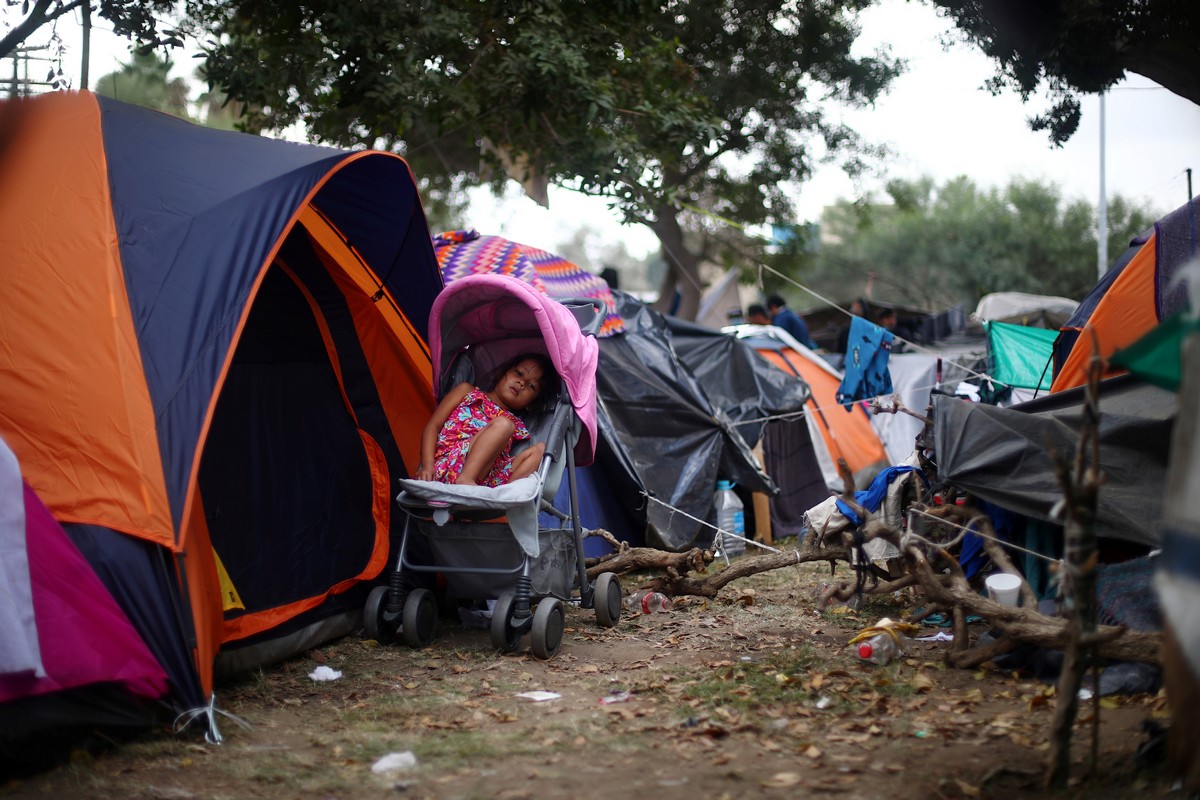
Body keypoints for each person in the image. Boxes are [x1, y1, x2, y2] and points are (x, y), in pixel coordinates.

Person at [417, 353, 559, 486]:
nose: (521, 383)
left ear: (531, 405)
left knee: (541, 450)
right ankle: (466, 479)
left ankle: (500, 498)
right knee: (504, 425)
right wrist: (427, 465)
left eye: (531, 386)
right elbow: (433, 426)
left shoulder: (515, 424)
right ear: (501, 374)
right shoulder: (467, 391)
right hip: (449, 462)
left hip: (484, 479)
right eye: (519, 373)